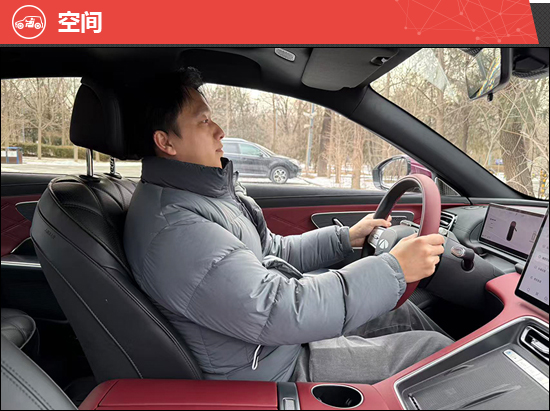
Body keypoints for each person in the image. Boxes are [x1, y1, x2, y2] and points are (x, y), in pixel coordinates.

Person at [124, 68, 452, 383]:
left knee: (402, 314)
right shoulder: (175, 228)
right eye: (204, 121)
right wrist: (394, 269)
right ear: (166, 142)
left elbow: (271, 250)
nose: (220, 130)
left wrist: (346, 238)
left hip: (272, 344)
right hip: (274, 371)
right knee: (435, 353)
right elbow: (276, 310)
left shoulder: (198, 196)